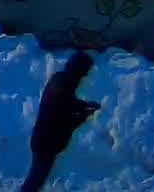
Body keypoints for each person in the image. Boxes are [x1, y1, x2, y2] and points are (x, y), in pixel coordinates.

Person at [20, 52, 100, 192]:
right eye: (85, 71)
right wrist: (83, 114)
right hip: (46, 145)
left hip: (43, 141)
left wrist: (83, 106)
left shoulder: (60, 79)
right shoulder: (65, 85)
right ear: (79, 70)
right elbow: (65, 118)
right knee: (34, 183)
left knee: (34, 181)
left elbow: (66, 103)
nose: (86, 75)